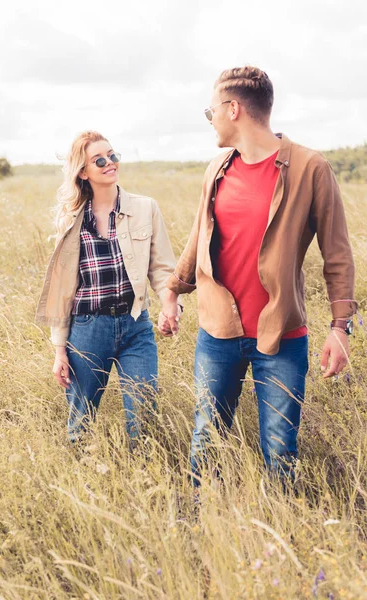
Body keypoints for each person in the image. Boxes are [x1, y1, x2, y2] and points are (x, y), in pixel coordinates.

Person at [160, 66, 357, 485]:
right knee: (206, 439)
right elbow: (200, 235)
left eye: (210, 110)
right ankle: (197, 530)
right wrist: (173, 291)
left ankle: (275, 537)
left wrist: (341, 328)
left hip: (281, 337)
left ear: (233, 109)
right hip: (217, 336)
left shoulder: (310, 168)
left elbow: (337, 255)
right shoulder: (217, 168)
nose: (209, 118)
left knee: (280, 449)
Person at [36, 131, 181, 443]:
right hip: (88, 329)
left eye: (112, 155)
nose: (109, 163)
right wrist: (59, 350)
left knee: (144, 419)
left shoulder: (146, 208)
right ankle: (81, 482)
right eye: (98, 160)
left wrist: (171, 304)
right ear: (83, 173)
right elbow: (63, 290)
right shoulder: (71, 219)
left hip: (135, 325)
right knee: (80, 423)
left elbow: (162, 268)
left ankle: (144, 482)